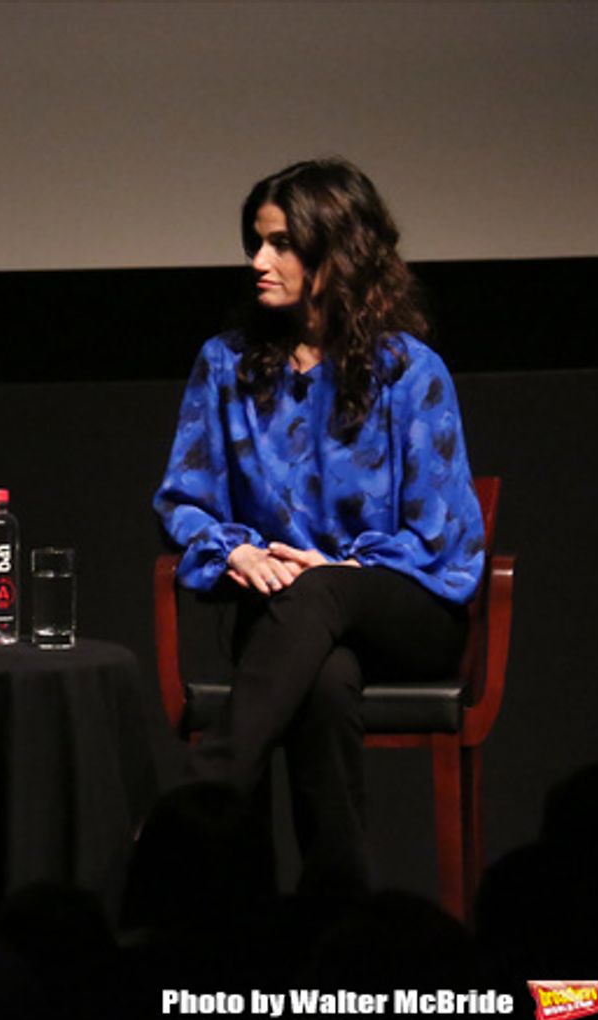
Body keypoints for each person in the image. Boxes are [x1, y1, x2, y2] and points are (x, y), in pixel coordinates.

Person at [152, 158, 484, 891]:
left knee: (320, 593)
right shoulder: (227, 365)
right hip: (287, 623)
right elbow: (184, 498)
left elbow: (441, 535)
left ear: (336, 253)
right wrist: (233, 552)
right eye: (256, 241)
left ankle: (196, 802)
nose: (258, 261)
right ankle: (338, 901)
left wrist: (340, 570)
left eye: (280, 244)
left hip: (405, 610)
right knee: (325, 682)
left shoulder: (410, 370)